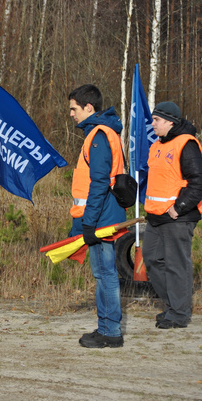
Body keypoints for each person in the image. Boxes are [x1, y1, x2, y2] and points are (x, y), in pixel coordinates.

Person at [68, 84, 127, 348]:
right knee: (103, 274)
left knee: (105, 274)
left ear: (89, 107)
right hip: (102, 215)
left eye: (74, 108)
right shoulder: (101, 132)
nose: (71, 114)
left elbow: (99, 182)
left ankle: (110, 332)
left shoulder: (99, 135)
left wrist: (89, 222)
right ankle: (106, 328)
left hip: (101, 218)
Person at [142, 101, 202, 329]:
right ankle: (173, 306)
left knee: (176, 265)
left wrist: (178, 207)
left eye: (157, 120)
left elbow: (199, 184)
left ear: (170, 121)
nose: (152, 124)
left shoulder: (186, 144)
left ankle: (179, 314)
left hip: (178, 217)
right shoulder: (156, 145)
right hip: (155, 216)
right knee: (151, 259)